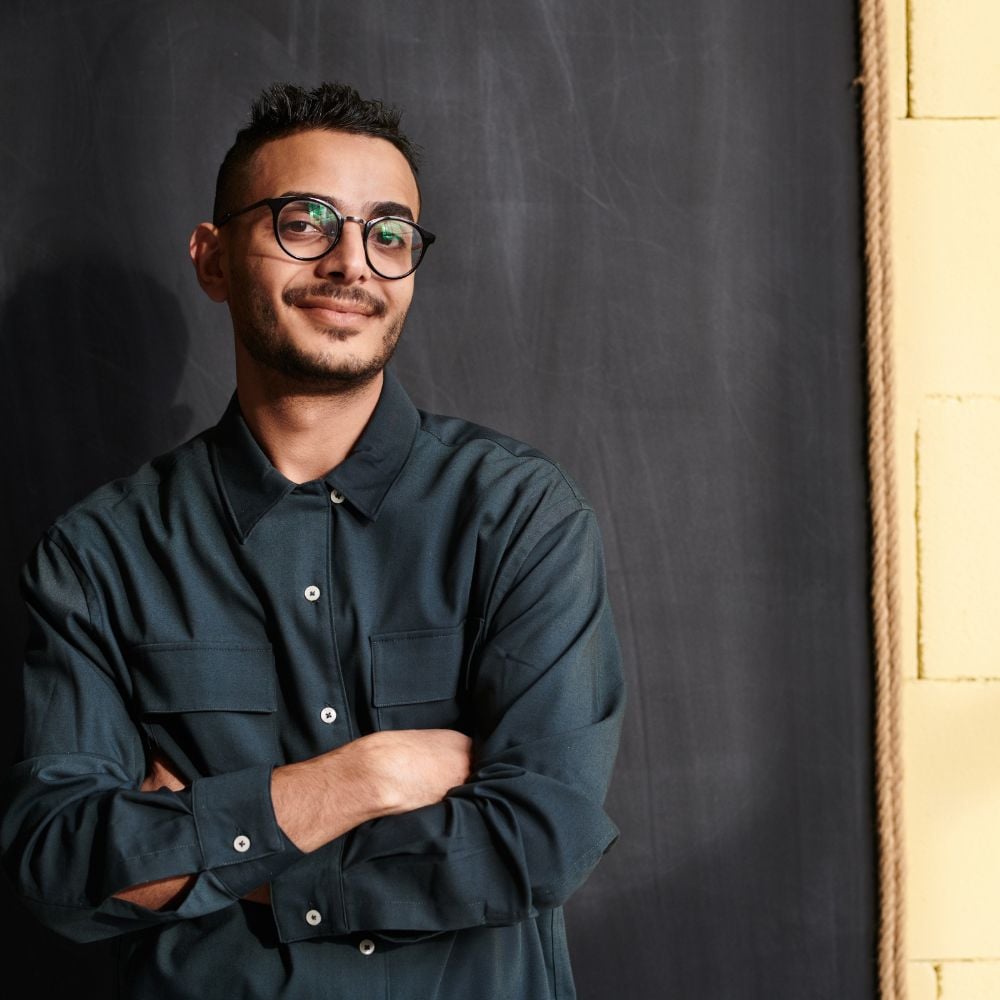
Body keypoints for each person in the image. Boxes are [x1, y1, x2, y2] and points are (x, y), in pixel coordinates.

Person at [0, 82, 625, 999]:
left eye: (388, 233)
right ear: (212, 260)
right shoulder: (97, 556)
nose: (351, 263)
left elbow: (541, 836)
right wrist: (365, 778)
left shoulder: (520, 517)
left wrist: (213, 848)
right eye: (306, 221)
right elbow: (64, 863)